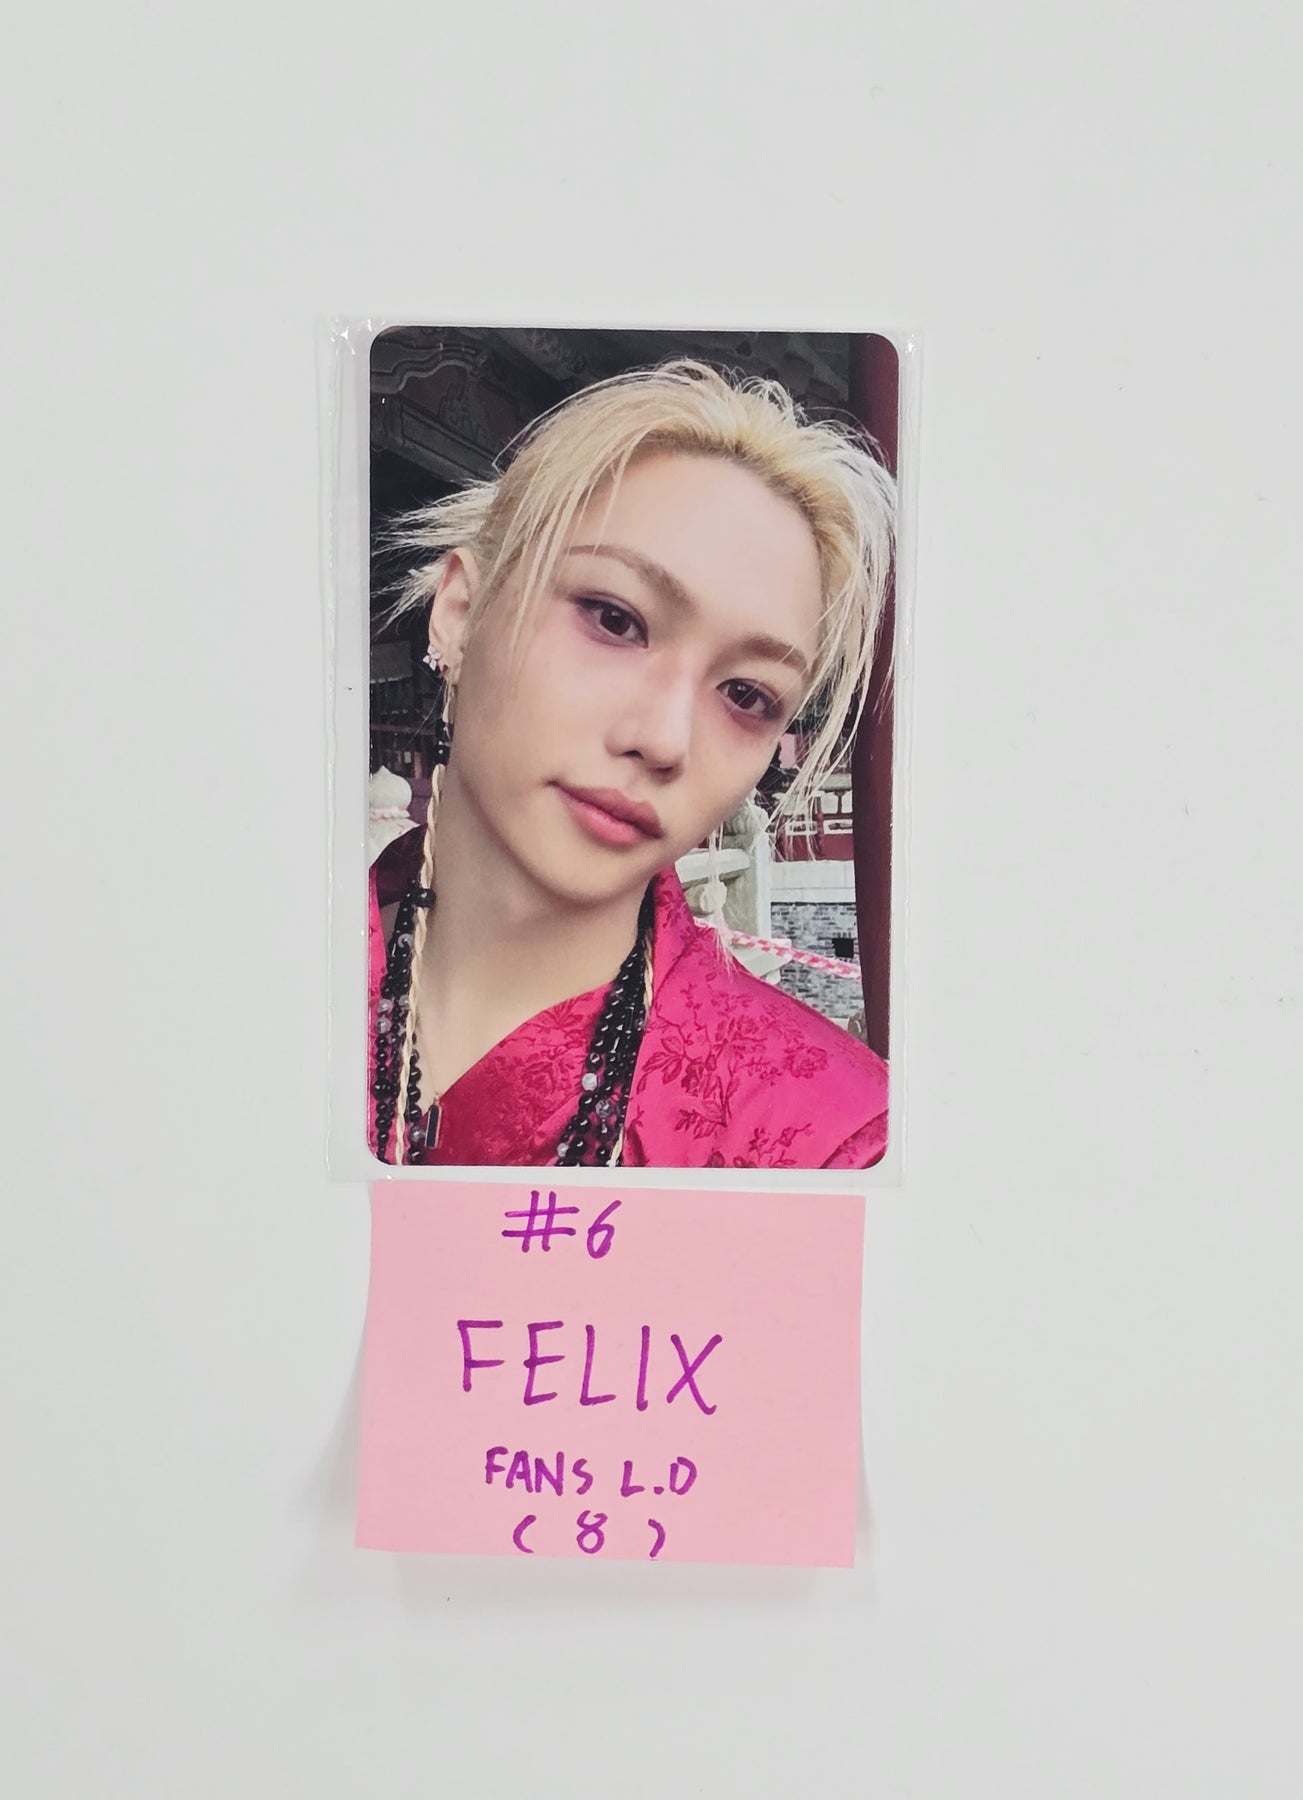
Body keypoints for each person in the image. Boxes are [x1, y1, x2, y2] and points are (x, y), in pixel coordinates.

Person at [368, 357, 894, 1169]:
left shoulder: (830, 1140)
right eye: (614, 619)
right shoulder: (219, 985)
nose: (663, 738)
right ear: (461, 612)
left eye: (747, 695)